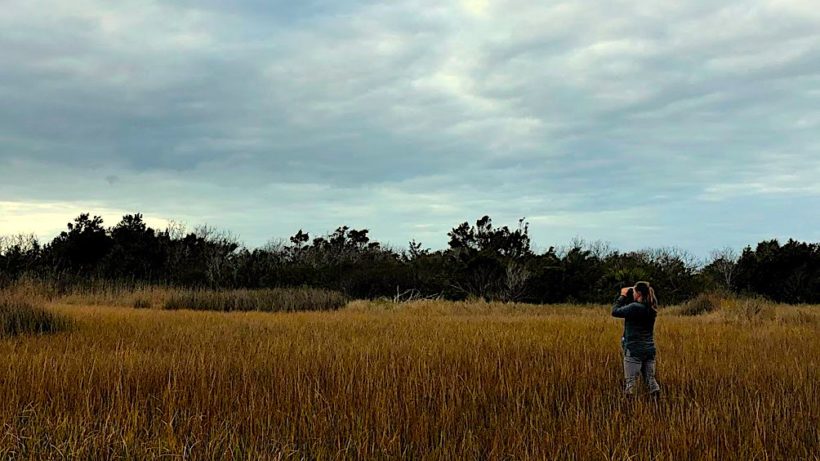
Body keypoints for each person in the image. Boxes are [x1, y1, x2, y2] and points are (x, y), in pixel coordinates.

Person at [612, 281, 660, 397]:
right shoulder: (651, 308)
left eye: (633, 292)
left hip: (634, 349)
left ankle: (629, 408)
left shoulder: (635, 307)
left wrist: (622, 296)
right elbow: (633, 307)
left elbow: (615, 311)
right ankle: (657, 404)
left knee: (631, 383)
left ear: (638, 293)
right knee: (651, 381)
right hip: (649, 349)